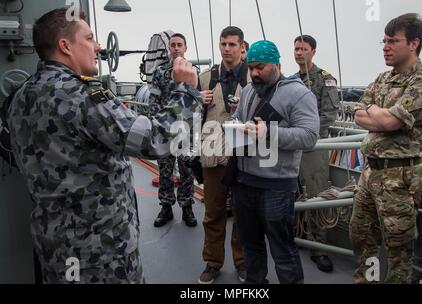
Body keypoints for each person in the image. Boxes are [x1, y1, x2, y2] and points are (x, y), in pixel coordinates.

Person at [7, 8, 202, 283]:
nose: (98, 46)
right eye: (89, 38)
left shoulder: (20, 96)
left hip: (54, 246)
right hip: (99, 254)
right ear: (66, 46)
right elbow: (156, 141)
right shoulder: (83, 95)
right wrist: (186, 90)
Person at [350, 13, 422, 284]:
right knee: (362, 236)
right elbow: (358, 113)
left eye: (393, 41)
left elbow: (391, 121)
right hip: (371, 173)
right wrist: (376, 113)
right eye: (384, 40)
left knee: (398, 248)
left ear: (413, 44)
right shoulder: (382, 79)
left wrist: (378, 115)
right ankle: (367, 281)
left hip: (401, 176)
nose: (385, 47)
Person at [232, 40, 320, 284]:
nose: (254, 73)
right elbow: (238, 117)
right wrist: (233, 125)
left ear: (276, 64)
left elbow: (310, 136)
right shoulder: (249, 90)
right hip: (244, 182)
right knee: (251, 246)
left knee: (283, 250)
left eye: (259, 67)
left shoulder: (299, 93)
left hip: (276, 187)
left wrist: (268, 133)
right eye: (251, 68)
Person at [197, 26, 249, 284]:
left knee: (243, 212)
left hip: (243, 153)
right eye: (223, 44)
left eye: (232, 44)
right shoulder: (206, 77)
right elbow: (192, 117)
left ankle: (242, 263)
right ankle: (213, 262)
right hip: (212, 150)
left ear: (242, 47)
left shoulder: (253, 77)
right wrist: (198, 101)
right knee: (213, 211)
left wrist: (245, 108)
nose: (227, 49)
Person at [292, 35, 339, 273]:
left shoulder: (325, 80)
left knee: (316, 195)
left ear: (313, 52)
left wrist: (304, 133)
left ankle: (318, 248)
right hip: (291, 146)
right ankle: (295, 235)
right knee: (292, 191)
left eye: (304, 49)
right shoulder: (289, 82)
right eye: (296, 49)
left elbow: (329, 115)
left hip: (313, 146)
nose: (299, 53)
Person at [147, 33, 197, 228]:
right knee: (165, 172)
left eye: (179, 45)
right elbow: (154, 101)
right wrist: (157, 127)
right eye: (173, 45)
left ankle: (187, 207)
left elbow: (197, 100)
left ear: (186, 48)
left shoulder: (193, 71)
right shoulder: (160, 73)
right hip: (166, 131)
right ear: (169, 48)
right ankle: (166, 207)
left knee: (187, 171)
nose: (176, 48)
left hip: (186, 131)